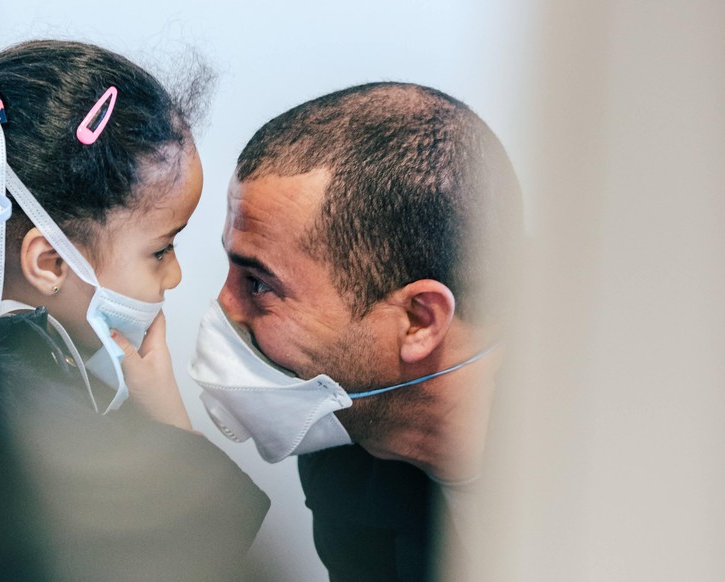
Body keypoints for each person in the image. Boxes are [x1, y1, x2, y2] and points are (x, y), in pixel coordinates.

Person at [0, 40, 268, 581]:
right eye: (161, 250)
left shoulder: (0, 360)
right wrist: (168, 418)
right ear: (49, 262)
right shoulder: (18, 422)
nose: (175, 276)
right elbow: (204, 541)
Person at [189, 82, 524, 580]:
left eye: (258, 283)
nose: (224, 306)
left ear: (419, 320)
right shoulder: (348, 455)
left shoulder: (623, 453)